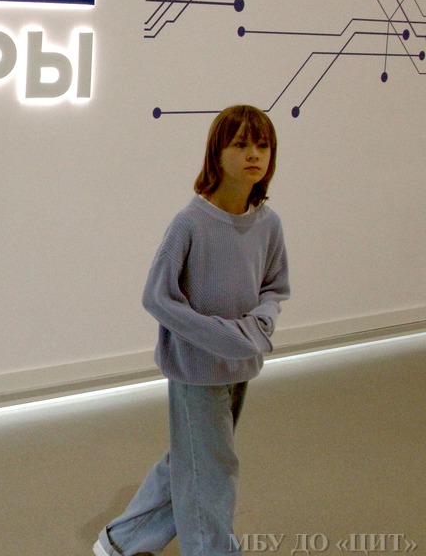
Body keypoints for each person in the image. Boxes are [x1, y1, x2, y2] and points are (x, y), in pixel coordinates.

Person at [94, 105, 292, 556]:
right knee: (213, 468)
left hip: (242, 365)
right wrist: (219, 336)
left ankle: (122, 541)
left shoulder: (269, 224)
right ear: (216, 153)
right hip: (196, 370)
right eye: (241, 144)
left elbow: (274, 287)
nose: (253, 154)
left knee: (194, 460)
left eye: (262, 145)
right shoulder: (190, 223)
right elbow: (157, 297)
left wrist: (258, 328)